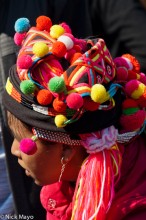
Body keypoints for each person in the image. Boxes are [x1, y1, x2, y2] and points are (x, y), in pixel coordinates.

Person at [2, 0, 146, 217]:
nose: (14, 151)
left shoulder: (132, 208)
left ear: (67, 149)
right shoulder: (61, 188)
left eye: (19, 138)